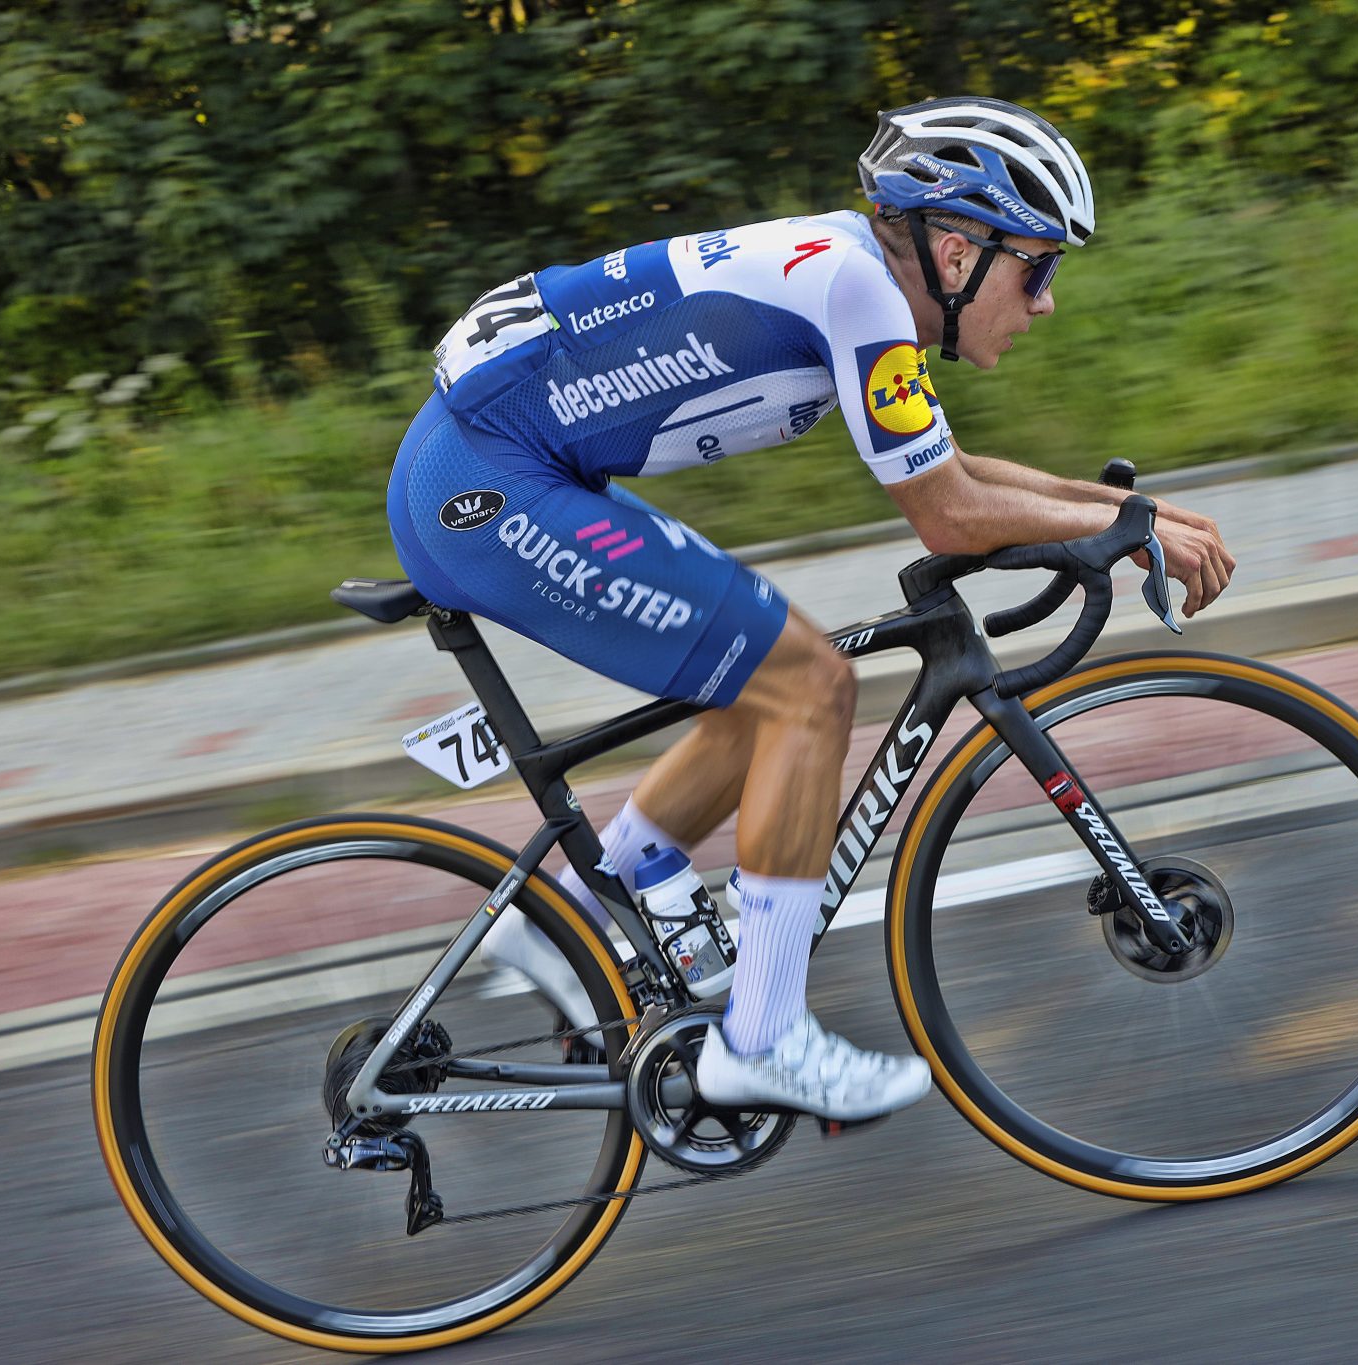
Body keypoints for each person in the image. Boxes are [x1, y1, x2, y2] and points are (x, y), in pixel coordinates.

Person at [386, 96, 1235, 1124]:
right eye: (1037, 267)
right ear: (957, 251)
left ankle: (577, 912)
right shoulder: (855, 291)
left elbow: (949, 470)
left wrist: (1127, 512)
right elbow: (950, 517)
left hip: (504, 463)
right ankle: (762, 1040)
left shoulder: (858, 282)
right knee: (806, 685)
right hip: (483, 487)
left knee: (763, 671)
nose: (1044, 301)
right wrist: (1133, 526)